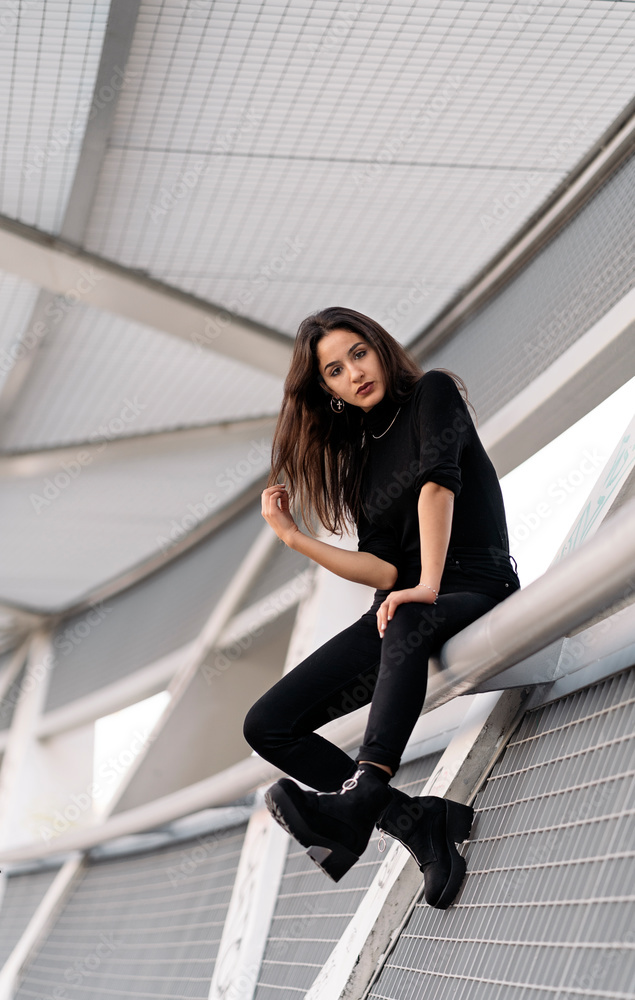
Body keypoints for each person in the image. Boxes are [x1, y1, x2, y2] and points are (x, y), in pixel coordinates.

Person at [243, 307, 520, 908]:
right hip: (405, 606)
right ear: (329, 390)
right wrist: (293, 536)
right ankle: (417, 823)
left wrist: (428, 585)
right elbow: (385, 571)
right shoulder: (363, 454)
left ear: (380, 347)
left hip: (474, 583)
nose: (353, 374)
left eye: (358, 354)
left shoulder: (433, 392)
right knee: (267, 725)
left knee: (409, 613)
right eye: (335, 371)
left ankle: (360, 801)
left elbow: (438, 485)